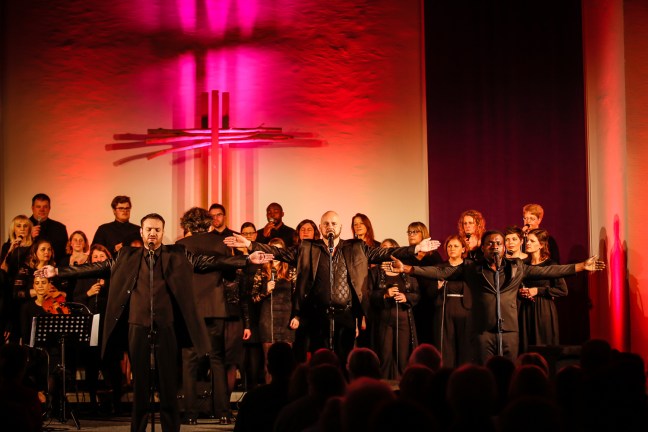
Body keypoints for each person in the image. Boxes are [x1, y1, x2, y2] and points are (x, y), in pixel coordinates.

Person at [36, 213, 272, 432]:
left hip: (167, 326)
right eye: (148, 229)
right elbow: (95, 267)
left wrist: (245, 259)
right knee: (140, 387)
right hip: (137, 326)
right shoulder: (126, 255)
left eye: (157, 230)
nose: (152, 234)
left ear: (162, 232)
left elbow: (209, 261)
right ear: (141, 232)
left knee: (168, 385)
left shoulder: (177, 254)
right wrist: (57, 272)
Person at [226, 210, 438, 368]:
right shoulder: (308, 248)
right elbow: (278, 252)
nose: (330, 226)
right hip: (317, 315)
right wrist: (252, 245)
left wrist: (415, 249)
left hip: (345, 314)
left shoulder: (356, 247)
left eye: (334, 223)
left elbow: (384, 253)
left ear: (340, 227)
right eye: (326, 223)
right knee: (320, 362)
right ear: (320, 227)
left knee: (343, 362)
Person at [386, 230, 604, 364]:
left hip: (509, 330)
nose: (496, 246)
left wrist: (580, 266)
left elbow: (549, 272)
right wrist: (407, 268)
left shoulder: (518, 267)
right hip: (482, 330)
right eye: (491, 243)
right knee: (485, 370)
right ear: (483, 248)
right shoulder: (472, 268)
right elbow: (439, 272)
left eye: (499, 243)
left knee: (508, 371)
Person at [176, 207, 239, 425]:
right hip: (215, 307)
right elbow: (230, 273)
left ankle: (190, 413)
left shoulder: (181, 246)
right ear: (208, 222)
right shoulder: (220, 242)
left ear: (188, 225)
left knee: (189, 361)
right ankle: (223, 412)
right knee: (218, 360)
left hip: (190, 310)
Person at [73, 244, 123, 415]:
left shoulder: (114, 276)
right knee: (91, 365)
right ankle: (92, 401)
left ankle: (117, 402)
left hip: (109, 327)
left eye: (102, 256)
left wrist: (107, 287)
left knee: (112, 365)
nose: (98, 260)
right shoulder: (84, 277)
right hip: (91, 326)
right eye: (95, 257)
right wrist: (88, 293)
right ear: (90, 260)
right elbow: (75, 299)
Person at [250, 238, 298, 383]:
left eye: (278, 250)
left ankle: (286, 396)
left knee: (286, 363)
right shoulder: (261, 271)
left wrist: (297, 317)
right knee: (268, 362)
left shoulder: (291, 270)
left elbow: (297, 297)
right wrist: (265, 290)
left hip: (286, 318)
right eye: (272, 250)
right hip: (267, 319)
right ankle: (270, 396)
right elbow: (253, 298)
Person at [369, 238, 419, 379]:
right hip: (383, 319)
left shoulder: (406, 270)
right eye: (383, 249)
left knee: (402, 357)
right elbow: (368, 295)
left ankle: (402, 388)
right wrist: (384, 294)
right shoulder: (375, 272)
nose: (386, 252)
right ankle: (384, 389)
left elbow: (417, 295)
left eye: (390, 249)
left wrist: (406, 297)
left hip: (403, 318)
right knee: (384, 356)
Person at [518, 229, 568, 353]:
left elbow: (562, 290)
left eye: (531, 241)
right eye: (527, 240)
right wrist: (521, 292)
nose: (527, 243)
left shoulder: (550, 265)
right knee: (526, 346)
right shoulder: (523, 264)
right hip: (526, 309)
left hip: (543, 310)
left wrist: (538, 290)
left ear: (541, 245)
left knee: (543, 345)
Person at [433, 235, 472, 367]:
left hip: (465, 307)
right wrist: (437, 287)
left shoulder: (469, 266)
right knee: (446, 344)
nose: (452, 248)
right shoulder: (440, 267)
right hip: (445, 307)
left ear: (463, 249)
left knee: (465, 343)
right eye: (449, 246)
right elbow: (429, 291)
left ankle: (464, 373)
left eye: (455, 246)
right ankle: (446, 373)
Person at [403, 221, 443, 345]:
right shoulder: (406, 255)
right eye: (409, 232)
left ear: (423, 234)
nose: (411, 235)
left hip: (429, 301)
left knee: (428, 338)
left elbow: (439, 276)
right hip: (411, 302)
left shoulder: (433, 256)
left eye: (415, 231)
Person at [29, 193, 68, 263]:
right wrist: (29, 237)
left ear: (49, 208)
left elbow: (65, 254)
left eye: (45, 207)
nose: (42, 210)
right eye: (38, 207)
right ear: (32, 208)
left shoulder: (60, 228)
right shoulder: (22, 226)